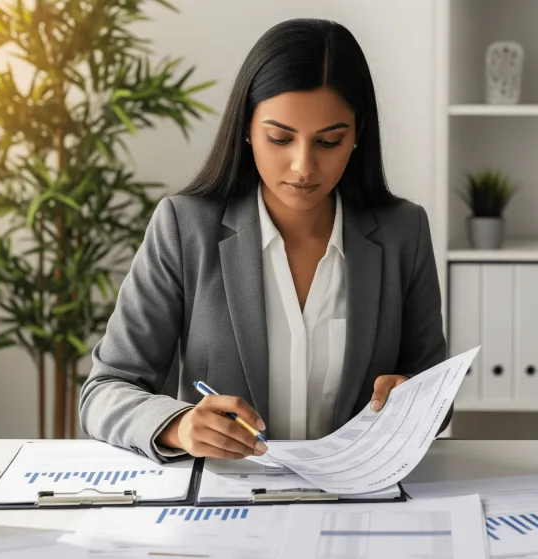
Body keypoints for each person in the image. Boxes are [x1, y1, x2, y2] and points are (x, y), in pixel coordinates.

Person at [78, 18, 446, 463]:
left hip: (357, 501)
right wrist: (178, 425)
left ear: (357, 136)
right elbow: (104, 391)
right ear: (246, 129)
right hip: (227, 503)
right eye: (279, 138)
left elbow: (435, 391)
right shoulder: (185, 227)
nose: (302, 166)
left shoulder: (404, 231)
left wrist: (415, 401)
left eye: (329, 141)